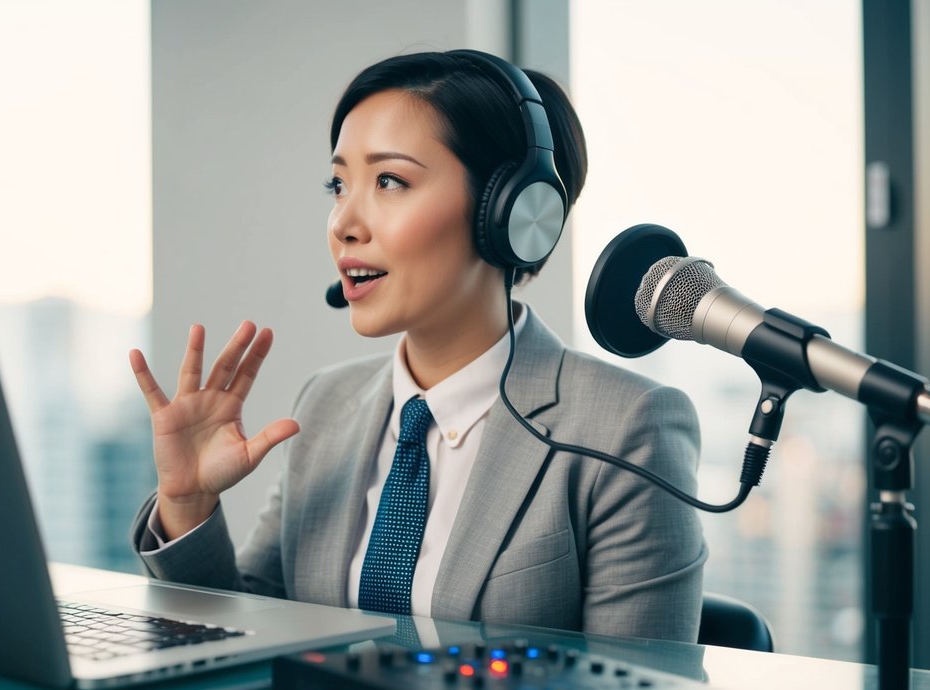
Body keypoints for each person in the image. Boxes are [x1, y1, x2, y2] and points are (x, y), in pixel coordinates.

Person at [127, 50, 707, 643]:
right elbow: (245, 635)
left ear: (508, 211)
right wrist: (188, 503)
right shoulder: (327, 404)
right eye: (338, 184)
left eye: (389, 181)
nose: (343, 223)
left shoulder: (628, 428)